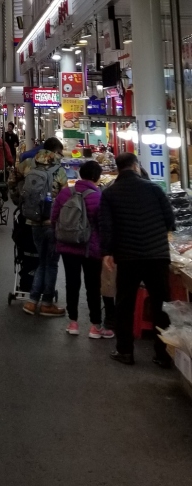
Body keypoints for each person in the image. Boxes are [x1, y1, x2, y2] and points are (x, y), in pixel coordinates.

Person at [100, 151, 175, 367]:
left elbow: (106, 226)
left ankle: (125, 351)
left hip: (128, 256)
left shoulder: (110, 193)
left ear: (118, 169)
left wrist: (107, 252)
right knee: (161, 304)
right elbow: (170, 219)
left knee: (125, 304)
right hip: (157, 255)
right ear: (135, 166)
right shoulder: (154, 188)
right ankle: (163, 354)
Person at [50, 159, 114, 338]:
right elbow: (102, 224)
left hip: (67, 246)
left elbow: (54, 217)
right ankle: (95, 326)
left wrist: (60, 236)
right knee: (93, 286)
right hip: (90, 248)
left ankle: (73, 323)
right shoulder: (97, 195)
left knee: (72, 284)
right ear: (97, 177)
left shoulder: (65, 193)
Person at [18, 137, 68, 317]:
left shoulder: (28, 164)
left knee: (42, 260)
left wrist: (20, 202)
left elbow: (12, 180)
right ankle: (46, 303)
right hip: (52, 222)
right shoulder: (59, 170)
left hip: (32, 220)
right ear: (55, 151)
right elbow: (65, 196)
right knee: (51, 263)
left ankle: (32, 302)